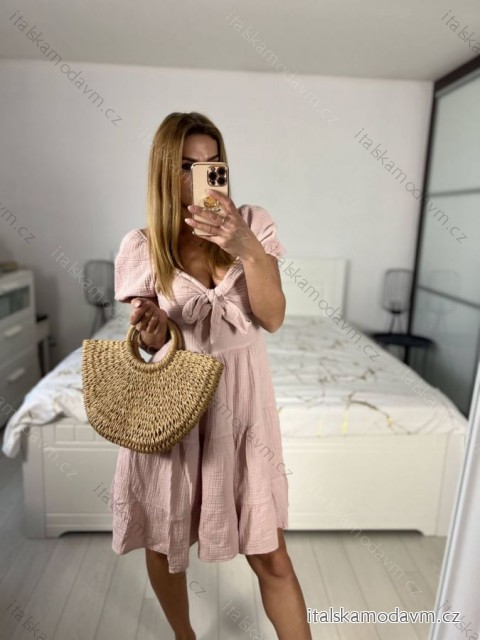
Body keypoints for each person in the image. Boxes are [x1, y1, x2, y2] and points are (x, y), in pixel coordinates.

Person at [110, 111, 312, 640]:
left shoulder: (253, 222)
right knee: (165, 543)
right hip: (176, 409)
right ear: (164, 171)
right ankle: (185, 637)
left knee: (271, 555)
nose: (203, 175)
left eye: (212, 162)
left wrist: (244, 245)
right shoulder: (143, 245)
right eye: (187, 165)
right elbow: (153, 343)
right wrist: (152, 330)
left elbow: (273, 317)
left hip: (243, 411)